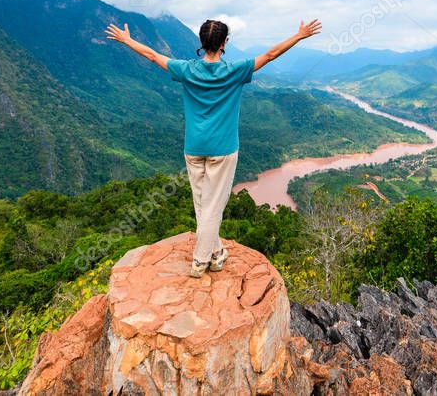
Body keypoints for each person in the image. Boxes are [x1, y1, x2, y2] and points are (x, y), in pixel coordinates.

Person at [105, 17, 322, 277]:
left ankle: (217, 254)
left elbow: (153, 56)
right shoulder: (234, 70)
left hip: (194, 148)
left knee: (202, 204)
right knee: (212, 206)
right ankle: (200, 261)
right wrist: (298, 36)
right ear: (224, 43)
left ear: (201, 42)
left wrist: (127, 40)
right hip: (223, 149)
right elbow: (271, 54)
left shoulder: (187, 69)